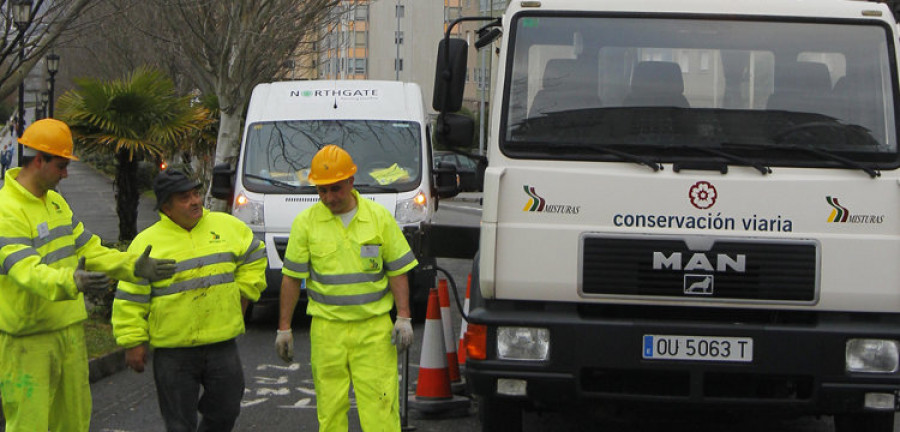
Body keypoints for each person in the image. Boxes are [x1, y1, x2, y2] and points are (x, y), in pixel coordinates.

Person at [0, 118, 177, 432]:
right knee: (30, 424)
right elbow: (24, 270)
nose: (66, 174)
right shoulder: (6, 209)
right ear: (39, 160)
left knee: (75, 422)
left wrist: (131, 265)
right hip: (27, 341)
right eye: (61, 165)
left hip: (68, 331)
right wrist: (71, 282)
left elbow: (88, 249)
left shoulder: (55, 202)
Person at [112, 169, 267, 432]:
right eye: (184, 197)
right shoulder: (147, 243)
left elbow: (255, 256)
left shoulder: (227, 227)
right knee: (179, 424)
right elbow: (130, 296)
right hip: (174, 352)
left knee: (226, 410)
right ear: (166, 207)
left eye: (196, 193)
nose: (195, 201)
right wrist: (133, 341)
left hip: (222, 344)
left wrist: (245, 293)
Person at [275, 144, 417, 432]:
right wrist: (284, 327)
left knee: (381, 408)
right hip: (327, 330)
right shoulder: (306, 223)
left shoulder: (378, 218)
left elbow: (398, 270)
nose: (329, 197)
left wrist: (403, 317)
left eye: (335, 189)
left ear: (351, 182)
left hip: (373, 329)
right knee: (330, 411)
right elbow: (291, 278)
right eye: (322, 190)